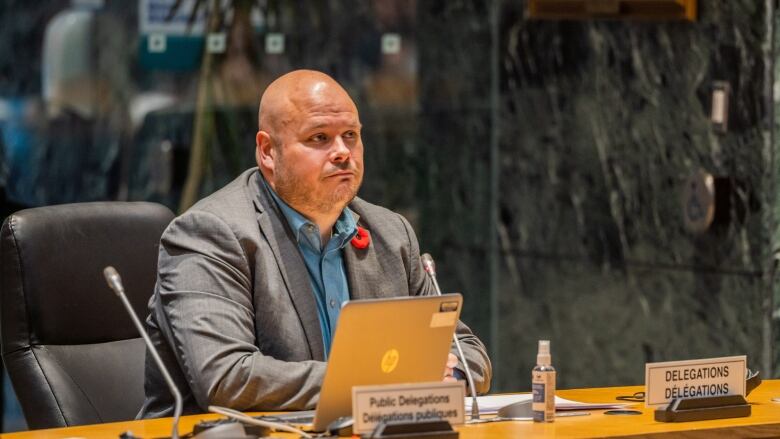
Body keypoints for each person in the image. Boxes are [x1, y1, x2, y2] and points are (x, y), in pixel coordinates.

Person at [139, 70, 492, 418]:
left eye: (351, 135)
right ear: (267, 151)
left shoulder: (390, 233)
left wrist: (452, 375)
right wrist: (380, 381)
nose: (342, 152)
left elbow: (467, 352)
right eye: (319, 138)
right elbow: (226, 377)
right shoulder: (211, 234)